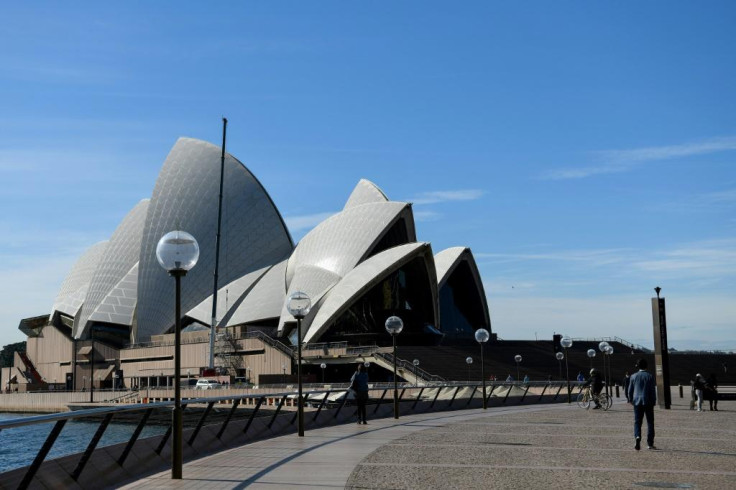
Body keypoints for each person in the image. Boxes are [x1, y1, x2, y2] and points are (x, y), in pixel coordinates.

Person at [627, 358, 657, 450]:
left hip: (637, 402)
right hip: (648, 402)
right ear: (646, 366)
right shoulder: (650, 376)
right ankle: (650, 443)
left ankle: (637, 436)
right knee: (650, 422)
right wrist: (654, 400)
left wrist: (630, 399)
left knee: (637, 422)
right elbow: (652, 390)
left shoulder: (633, 376)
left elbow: (630, 390)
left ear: (638, 366)